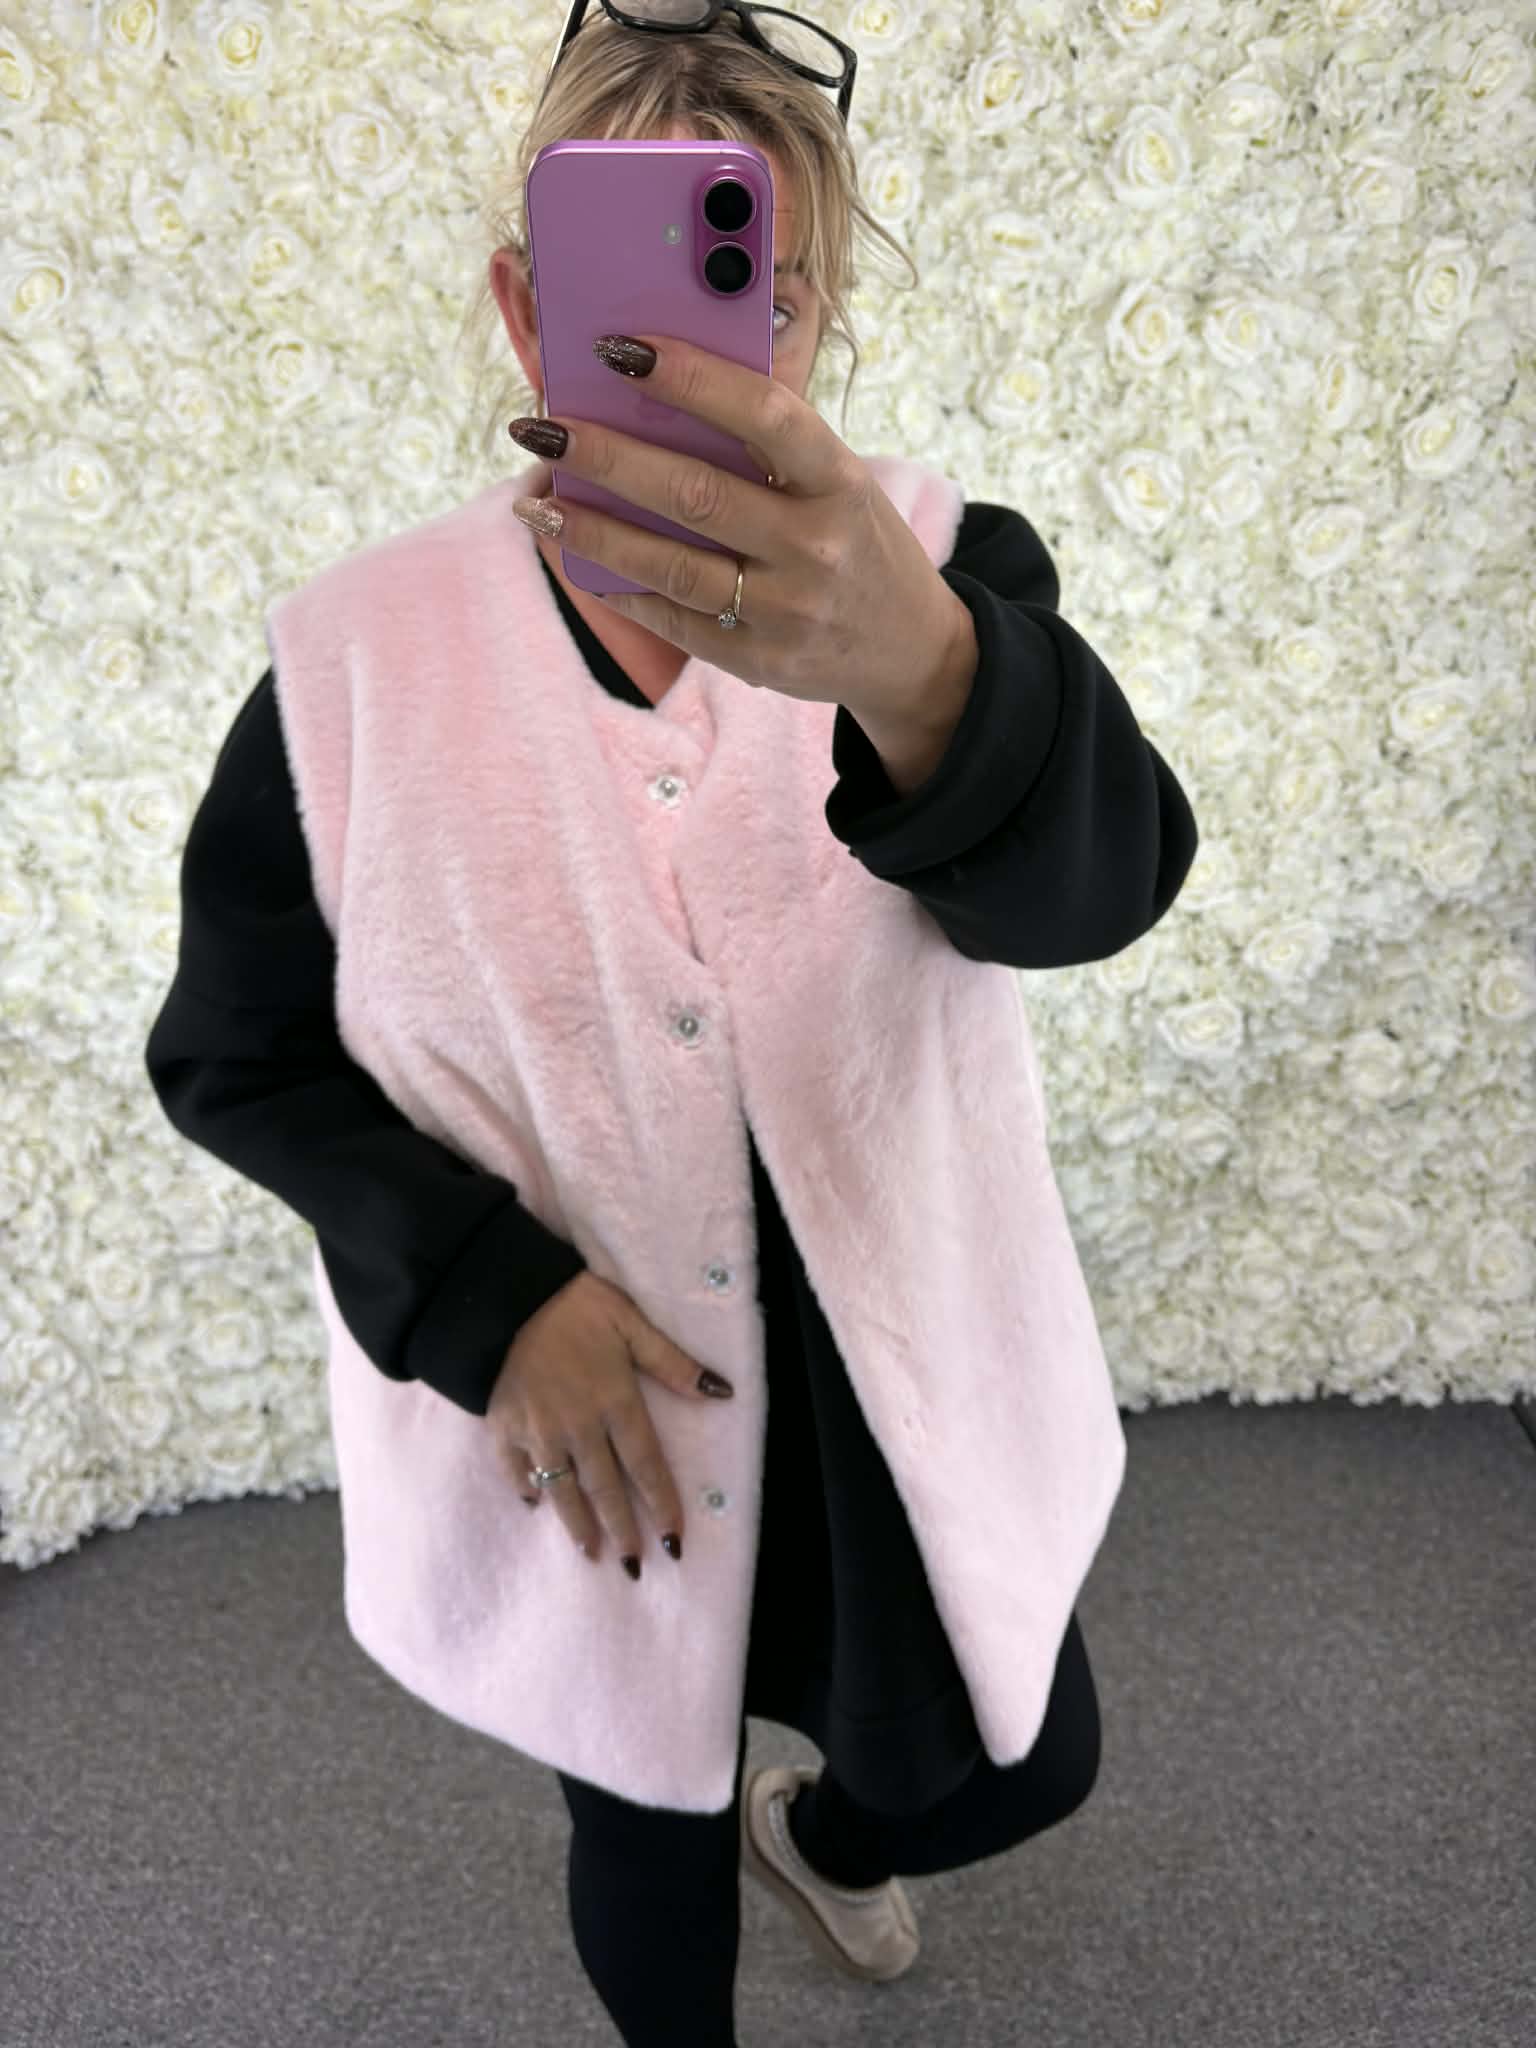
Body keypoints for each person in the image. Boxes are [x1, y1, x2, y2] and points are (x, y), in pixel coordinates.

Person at [146, 8, 1198, 2047]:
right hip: (601, 1418)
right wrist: (482, 1301)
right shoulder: (347, 670)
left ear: (816, 318)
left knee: (1020, 1761)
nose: (703, 348)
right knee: (647, 1843)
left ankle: (832, 1837)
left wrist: (929, 671)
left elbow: (1098, 894)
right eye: (626, 286)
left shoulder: (945, 578)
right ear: (523, 306)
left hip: (888, 1391)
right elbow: (234, 1052)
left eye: (757, 289)